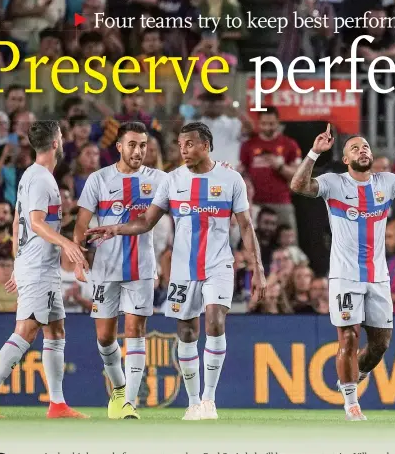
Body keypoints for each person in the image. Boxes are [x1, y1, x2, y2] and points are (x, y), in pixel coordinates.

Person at [86, 122, 266, 421]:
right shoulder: (171, 181)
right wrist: (115, 228)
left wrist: (257, 268)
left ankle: (209, 400)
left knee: (215, 320)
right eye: (181, 144)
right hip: (183, 269)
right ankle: (193, 402)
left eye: (190, 143)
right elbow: (146, 222)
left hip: (218, 264)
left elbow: (246, 225)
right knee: (186, 331)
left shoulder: (231, 178)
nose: (183, 149)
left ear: (206, 145)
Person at [290, 123, 395, 421]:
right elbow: (299, 186)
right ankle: (351, 404)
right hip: (345, 276)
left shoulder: (387, 182)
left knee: (381, 343)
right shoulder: (333, 183)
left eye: (365, 146)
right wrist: (314, 153)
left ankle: (358, 373)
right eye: (354, 148)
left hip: (378, 277)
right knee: (348, 339)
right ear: (345, 159)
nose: (362, 150)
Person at [0, 120, 89, 419]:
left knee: (56, 329)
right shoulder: (40, 180)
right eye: (61, 136)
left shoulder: (31, 177)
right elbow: (34, 223)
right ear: (55, 142)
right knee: (26, 330)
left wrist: (16, 262)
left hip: (35, 265)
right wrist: (66, 244)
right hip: (38, 267)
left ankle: (57, 404)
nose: (62, 141)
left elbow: (17, 222)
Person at [73, 122, 166, 420]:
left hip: (141, 268)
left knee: (135, 330)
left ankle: (130, 403)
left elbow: (191, 185)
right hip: (105, 268)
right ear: (119, 146)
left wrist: (220, 170)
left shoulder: (159, 180)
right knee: (104, 337)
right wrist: (79, 256)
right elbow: (81, 223)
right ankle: (120, 390)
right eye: (132, 145)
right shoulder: (99, 179)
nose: (138, 151)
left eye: (143, 145)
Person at [239, 107, 302, 233]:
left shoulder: (289, 144)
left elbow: (299, 175)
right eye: (264, 124)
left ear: (278, 122)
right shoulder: (248, 145)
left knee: (287, 243)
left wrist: (280, 166)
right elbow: (242, 171)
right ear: (259, 123)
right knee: (255, 244)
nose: (267, 127)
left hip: (281, 202)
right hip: (255, 204)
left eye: (271, 124)